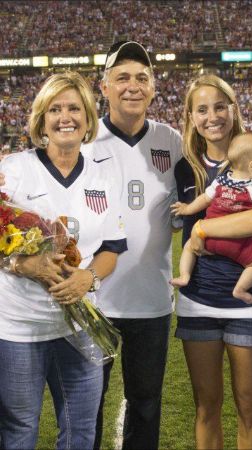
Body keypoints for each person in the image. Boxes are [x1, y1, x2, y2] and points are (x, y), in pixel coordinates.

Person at [0, 72, 126, 449]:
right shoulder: (14, 168)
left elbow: (112, 248)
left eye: (74, 108)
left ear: (88, 119)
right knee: (19, 430)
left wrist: (87, 278)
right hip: (19, 326)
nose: (65, 117)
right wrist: (26, 265)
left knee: (80, 431)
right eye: (54, 109)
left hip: (79, 325)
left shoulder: (105, 175)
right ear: (41, 119)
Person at [82, 41, 182, 450]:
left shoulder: (171, 140)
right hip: (91, 302)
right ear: (103, 87)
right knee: (87, 404)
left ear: (154, 88)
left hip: (152, 300)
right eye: (121, 77)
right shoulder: (84, 139)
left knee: (145, 404)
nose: (132, 86)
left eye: (142, 78)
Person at [174, 74, 252, 449]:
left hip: (251, 300)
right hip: (198, 298)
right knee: (206, 405)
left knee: (250, 404)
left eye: (220, 106)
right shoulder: (184, 166)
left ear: (233, 109)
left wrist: (203, 228)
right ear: (190, 116)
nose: (212, 116)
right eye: (202, 109)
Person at [171, 133, 252, 304]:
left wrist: (187, 209)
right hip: (239, 245)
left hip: (209, 239)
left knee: (188, 246)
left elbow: (204, 199)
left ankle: (185, 276)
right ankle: (240, 289)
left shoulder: (220, 182)